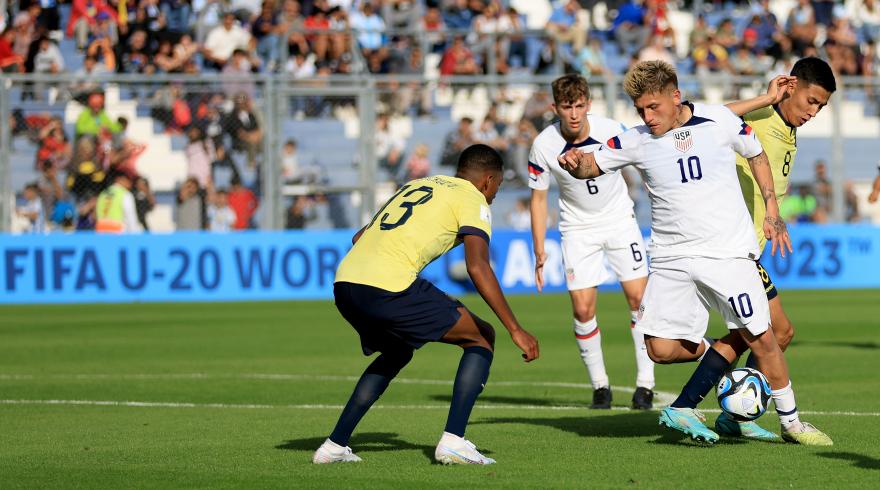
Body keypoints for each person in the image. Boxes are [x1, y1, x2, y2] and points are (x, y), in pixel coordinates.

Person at [557, 60, 831, 445]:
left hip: (727, 254)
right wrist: (574, 164)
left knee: (766, 337)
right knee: (660, 350)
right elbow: (591, 163)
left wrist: (772, 210)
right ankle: (720, 376)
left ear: (675, 96)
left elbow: (755, 153)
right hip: (671, 259)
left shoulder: (717, 120)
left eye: (653, 107)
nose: (648, 117)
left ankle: (793, 423)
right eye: (640, 110)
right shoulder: (635, 139)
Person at [313, 144, 539, 465]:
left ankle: (334, 446)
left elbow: (359, 238)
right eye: (497, 187)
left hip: (346, 283)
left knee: (397, 350)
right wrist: (515, 328)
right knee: (482, 336)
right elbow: (477, 267)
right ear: (487, 180)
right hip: (388, 285)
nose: (494, 195)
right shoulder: (472, 199)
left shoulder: (419, 184)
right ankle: (454, 441)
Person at [716, 57, 836, 440]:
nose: (813, 112)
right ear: (792, 85)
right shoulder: (763, 115)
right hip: (727, 245)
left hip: (751, 249)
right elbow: (713, 119)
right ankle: (773, 420)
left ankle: (734, 413)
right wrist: (762, 97)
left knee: (768, 335)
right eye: (811, 101)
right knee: (774, 332)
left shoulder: (788, 127)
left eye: (821, 106)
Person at [529, 74, 654, 410]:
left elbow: (645, 160)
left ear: (589, 104)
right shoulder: (543, 144)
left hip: (619, 221)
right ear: (555, 108)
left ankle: (645, 385)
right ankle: (601, 386)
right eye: (567, 107)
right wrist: (539, 249)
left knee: (639, 299)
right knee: (583, 309)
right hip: (577, 228)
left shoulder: (611, 130)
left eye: (579, 105)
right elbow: (538, 199)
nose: (573, 114)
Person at [95, 169, 143, 233]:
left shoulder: (103, 194)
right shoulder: (125, 194)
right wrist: (135, 236)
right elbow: (131, 218)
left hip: (101, 230)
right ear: (120, 179)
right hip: (117, 231)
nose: (131, 183)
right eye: (129, 180)